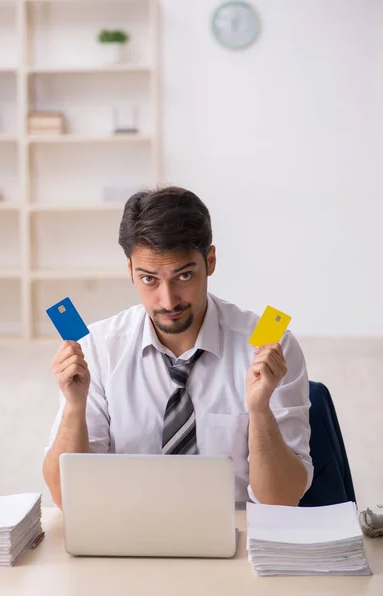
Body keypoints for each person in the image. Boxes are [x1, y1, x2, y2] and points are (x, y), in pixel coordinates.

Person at [43, 186, 313, 510]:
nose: (168, 300)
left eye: (184, 275)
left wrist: (259, 410)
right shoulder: (98, 349)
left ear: (210, 261)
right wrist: (75, 405)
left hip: (238, 539)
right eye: (149, 280)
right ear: (129, 269)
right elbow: (66, 500)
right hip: (128, 535)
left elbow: (281, 500)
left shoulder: (270, 343)